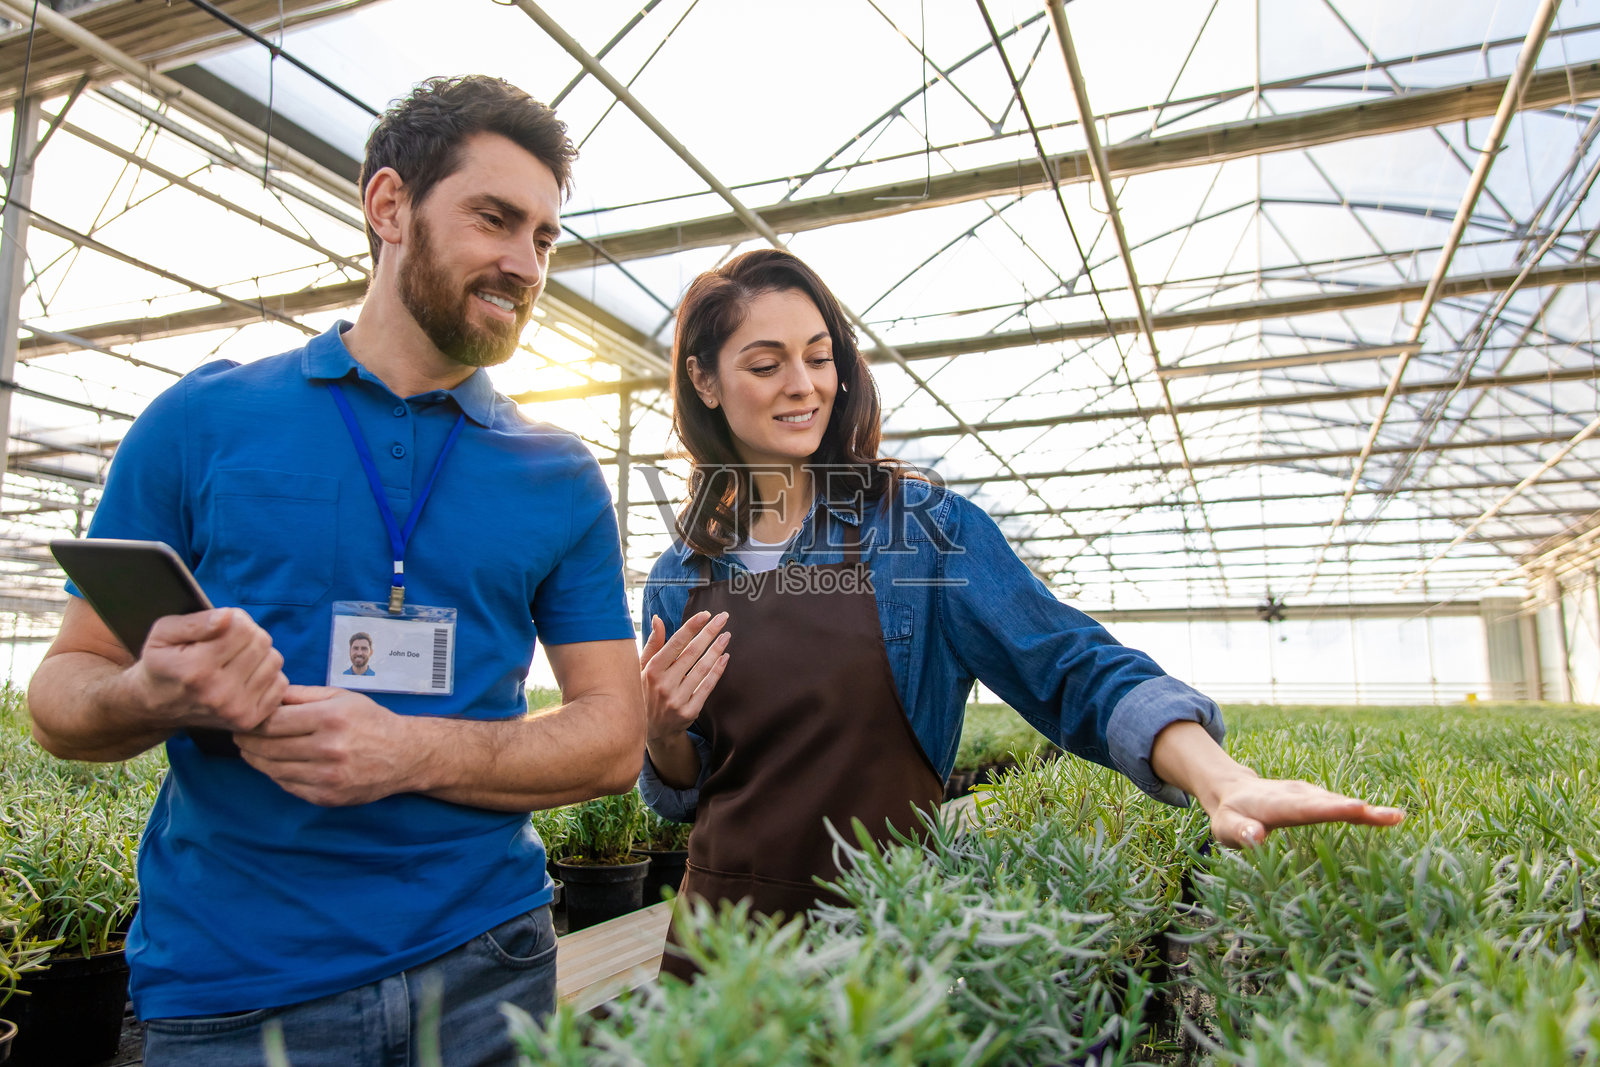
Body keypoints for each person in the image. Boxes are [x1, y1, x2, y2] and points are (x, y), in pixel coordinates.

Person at [27, 76, 643, 1065]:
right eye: (494, 219)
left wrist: (411, 750)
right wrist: (150, 691)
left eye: (543, 238)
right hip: (236, 989)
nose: (525, 263)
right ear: (389, 205)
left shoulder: (558, 474)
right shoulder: (202, 421)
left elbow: (614, 734)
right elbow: (62, 695)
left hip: (489, 963)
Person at [637, 249, 1404, 978]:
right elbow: (688, 789)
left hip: (879, 946)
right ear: (705, 380)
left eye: (819, 356)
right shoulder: (680, 574)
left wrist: (1220, 779)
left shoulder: (922, 533)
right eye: (766, 365)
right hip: (717, 950)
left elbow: (1069, 665)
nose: (803, 384)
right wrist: (663, 733)